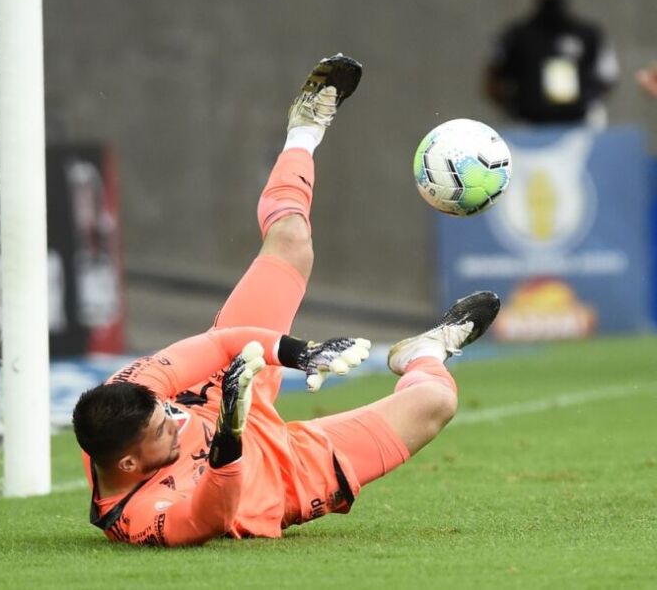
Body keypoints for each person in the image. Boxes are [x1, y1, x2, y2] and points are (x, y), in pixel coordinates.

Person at [72, 54, 501, 547]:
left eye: (163, 409)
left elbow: (222, 343)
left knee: (292, 241)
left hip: (222, 395)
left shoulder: (127, 393)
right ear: (129, 464)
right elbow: (208, 517)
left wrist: (302, 353)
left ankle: (304, 130)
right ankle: (423, 351)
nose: (173, 416)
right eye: (162, 425)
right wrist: (229, 440)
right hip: (284, 473)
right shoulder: (141, 516)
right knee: (436, 401)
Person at [484, 0, 619, 126]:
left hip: (580, 126)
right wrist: (517, 110)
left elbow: (607, 76)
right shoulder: (514, 36)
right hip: (530, 128)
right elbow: (493, 79)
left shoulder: (589, 35)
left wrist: (586, 102)